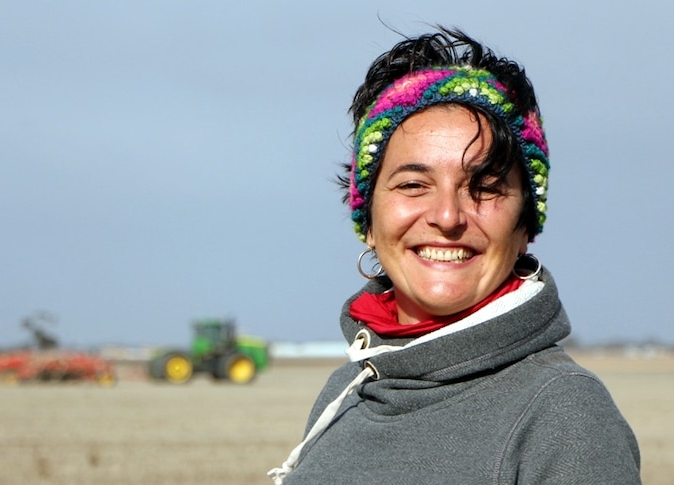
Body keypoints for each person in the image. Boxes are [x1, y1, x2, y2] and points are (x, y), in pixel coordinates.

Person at [268, 27, 641, 484]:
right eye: (412, 185)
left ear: (525, 225)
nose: (447, 216)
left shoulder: (562, 413)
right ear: (367, 220)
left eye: (484, 187)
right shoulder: (345, 393)